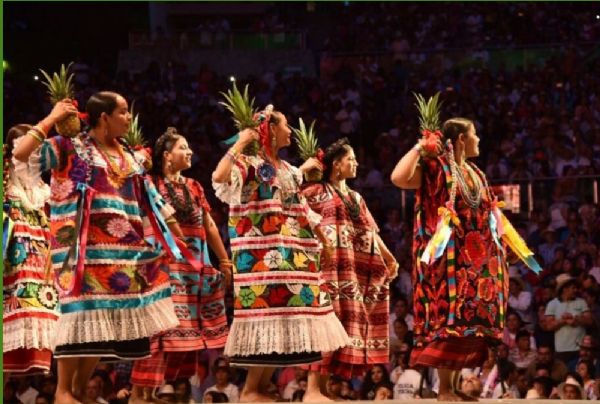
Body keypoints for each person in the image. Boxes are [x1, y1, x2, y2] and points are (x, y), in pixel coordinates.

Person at [13, 92, 181, 404]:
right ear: (103, 117)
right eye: (123, 112)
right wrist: (51, 118)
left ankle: (77, 392)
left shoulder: (128, 154)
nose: (128, 118)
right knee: (78, 314)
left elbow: (146, 200)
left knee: (101, 326)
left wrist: (168, 233)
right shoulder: (69, 147)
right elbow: (22, 154)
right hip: (80, 251)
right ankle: (63, 391)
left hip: (121, 252)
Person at [212, 105, 349, 402]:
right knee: (265, 315)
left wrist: (322, 242)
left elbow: (294, 200)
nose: (290, 131)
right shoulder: (247, 162)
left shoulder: (286, 169)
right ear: (271, 130)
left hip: (290, 257)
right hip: (261, 259)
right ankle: (250, 389)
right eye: (285, 125)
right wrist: (241, 141)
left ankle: (258, 388)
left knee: (284, 318)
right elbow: (220, 176)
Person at [391, 117, 509, 400]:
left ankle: (453, 386)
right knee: (447, 324)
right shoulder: (436, 168)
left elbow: (491, 214)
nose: (479, 139)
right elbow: (398, 178)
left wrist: (506, 244)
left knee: (467, 328)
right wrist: (421, 146)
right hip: (446, 262)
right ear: (460, 140)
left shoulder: (475, 173)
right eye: (475, 134)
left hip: (476, 264)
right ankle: (443, 388)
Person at [130, 128, 230, 400]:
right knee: (160, 328)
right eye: (183, 147)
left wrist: (223, 259)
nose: (190, 152)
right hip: (162, 268)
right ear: (166, 155)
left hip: (194, 269)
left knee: (180, 334)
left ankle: (151, 394)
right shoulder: (148, 184)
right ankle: (139, 395)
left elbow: (209, 224)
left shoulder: (194, 186)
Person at [301, 137, 398, 380]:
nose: (356, 163)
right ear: (336, 164)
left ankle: (325, 388)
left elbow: (370, 232)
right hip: (329, 269)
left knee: (347, 323)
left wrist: (389, 258)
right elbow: (295, 208)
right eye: (351, 159)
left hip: (354, 272)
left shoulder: (356, 198)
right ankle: (314, 388)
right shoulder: (315, 191)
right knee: (328, 322)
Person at [3, 121, 60, 376]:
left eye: (38, 150)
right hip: (11, 262)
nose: (33, 154)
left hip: (43, 266)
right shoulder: (6, 185)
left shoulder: (46, 191)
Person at [543, 274, 592, 364]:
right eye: (573, 288)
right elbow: (548, 326)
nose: (576, 290)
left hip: (580, 349)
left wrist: (576, 319)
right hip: (562, 350)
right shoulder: (552, 304)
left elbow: (589, 321)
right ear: (564, 289)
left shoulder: (581, 302)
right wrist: (563, 320)